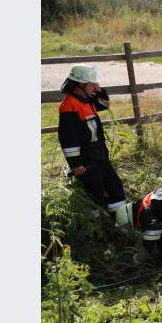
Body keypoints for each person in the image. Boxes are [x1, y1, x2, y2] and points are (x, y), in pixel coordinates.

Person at [58, 64, 126, 216]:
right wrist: (75, 163)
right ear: (80, 84)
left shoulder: (86, 98)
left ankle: (121, 221)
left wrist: (98, 87)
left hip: (99, 154)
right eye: (92, 84)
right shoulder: (69, 106)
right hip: (86, 161)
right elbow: (68, 137)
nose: (95, 88)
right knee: (95, 193)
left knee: (114, 187)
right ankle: (97, 225)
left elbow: (104, 104)